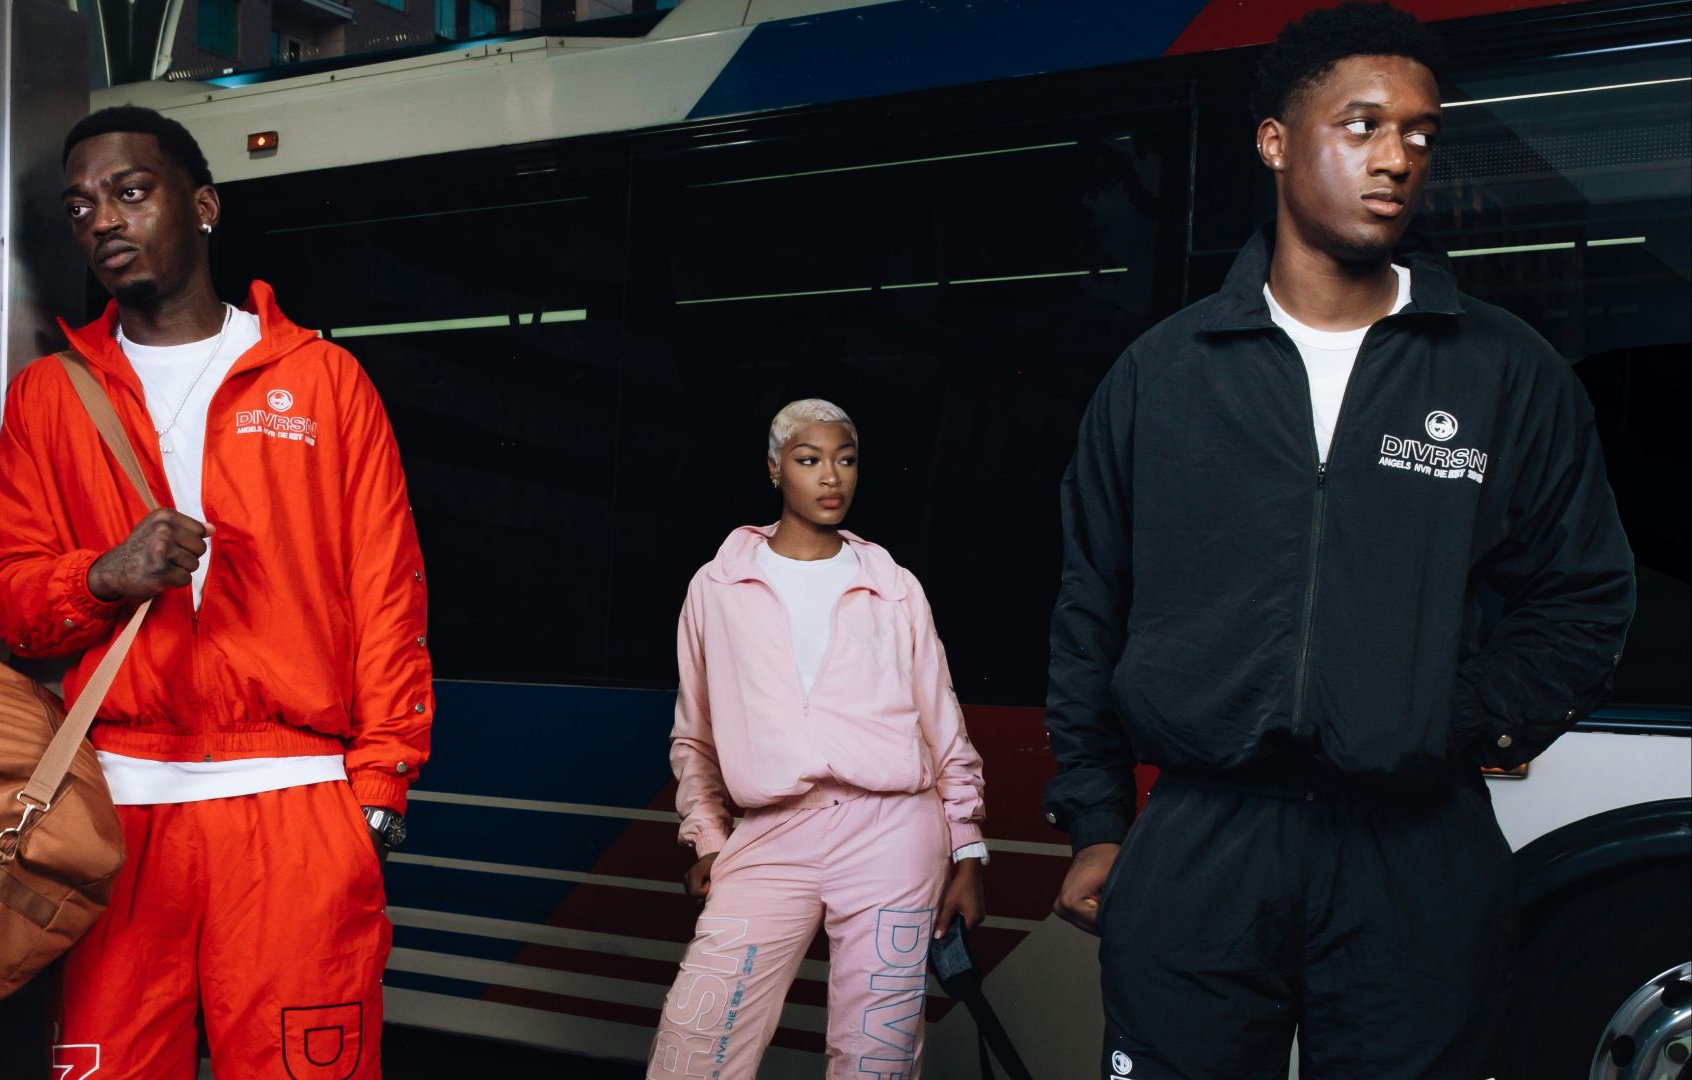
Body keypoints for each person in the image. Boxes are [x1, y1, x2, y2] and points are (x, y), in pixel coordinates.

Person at [1041, 4, 1636, 1077]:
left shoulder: (1501, 369)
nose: (1398, 157)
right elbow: (1093, 604)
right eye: (1361, 125)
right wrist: (1095, 816)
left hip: (1416, 850)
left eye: (1420, 133)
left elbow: (1584, 595)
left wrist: (1445, 715)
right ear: (1276, 141)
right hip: (1202, 841)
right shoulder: (1163, 375)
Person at [0, 106, 432, 1080]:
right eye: (81, 206)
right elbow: (9, 600)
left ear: (204, 205)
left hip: (293, 801)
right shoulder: (51, 397)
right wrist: (103, 575)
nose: (103, 220)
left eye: (130, 192)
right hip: (114, 815)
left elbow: (387, 593)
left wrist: (379, 793)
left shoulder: (322, 380)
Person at [646, 399, 990, 1080]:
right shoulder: (717, 587)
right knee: (694, 1045)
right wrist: (710, 840)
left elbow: (941, 721)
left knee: (876, 1057)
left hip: (892, 831)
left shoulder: (892, 588)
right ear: (776, 469)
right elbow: (696, 733)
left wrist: (969, 851)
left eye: (846, 459)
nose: (831, 477)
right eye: (809, 460)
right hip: (773, 831)